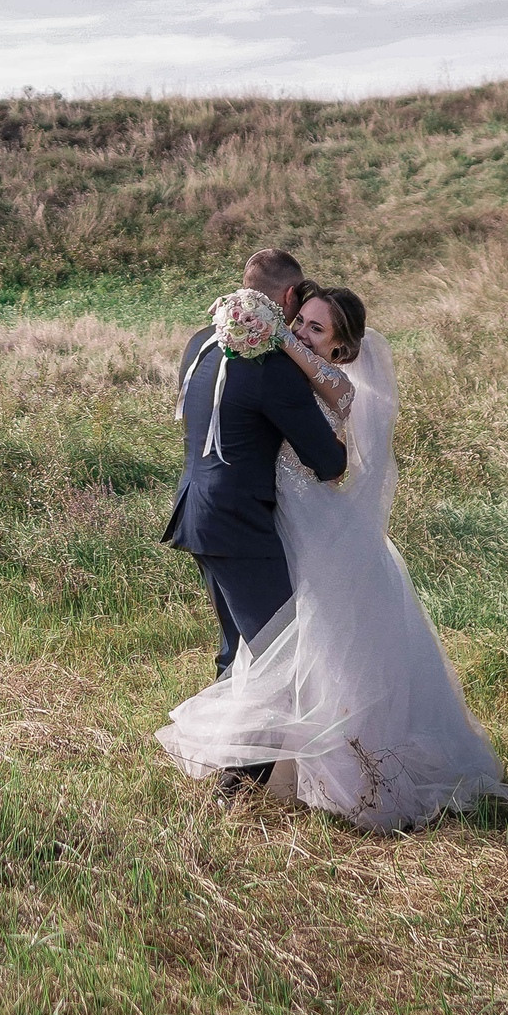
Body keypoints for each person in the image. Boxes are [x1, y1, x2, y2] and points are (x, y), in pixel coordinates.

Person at [159, 272, 508, 830]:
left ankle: (276, 779)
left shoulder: (327, 382)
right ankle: (256, 771)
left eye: (314, 326)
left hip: (303, 520)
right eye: (299, 319)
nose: (299, 329)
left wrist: (283, 345)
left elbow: (331, 460)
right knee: (271, 646)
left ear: (340, 347)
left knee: (290, 648)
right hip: (264, 519)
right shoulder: (275, 364)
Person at [162, 249, 349, 798]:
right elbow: (330, 462)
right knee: (278, 653)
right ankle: (237, 787)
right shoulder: (267, 363)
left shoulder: (200, 342)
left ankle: (232, 766)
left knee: (237, 648)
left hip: (197, 509)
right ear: (288, 300)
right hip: (240, 524)